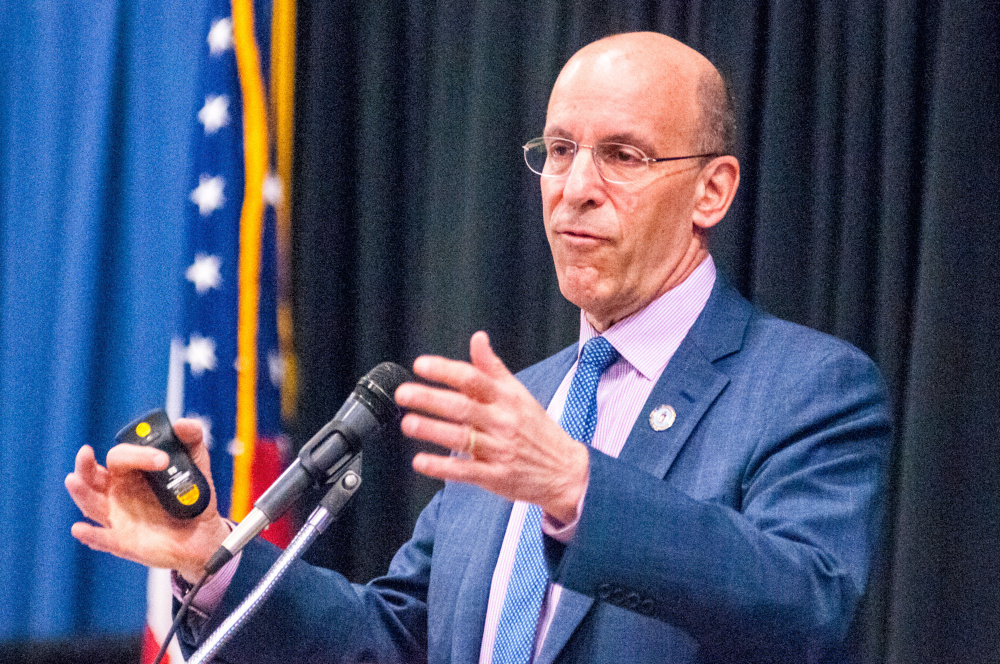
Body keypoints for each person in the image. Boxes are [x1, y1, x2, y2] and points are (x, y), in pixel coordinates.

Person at [66, 32, 891, 663]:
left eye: (623, 156)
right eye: (560, 151)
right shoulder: (522, 408)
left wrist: (578, 488)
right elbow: (389, 640)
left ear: (712, 189)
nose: (575, 189)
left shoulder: (807, 387)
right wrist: (209, 556)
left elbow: (806, 604)